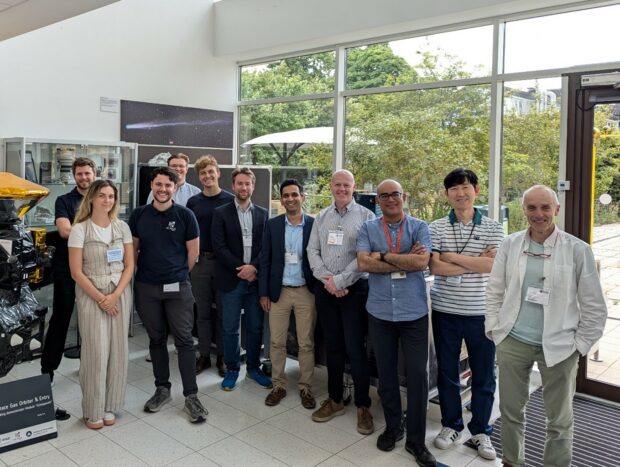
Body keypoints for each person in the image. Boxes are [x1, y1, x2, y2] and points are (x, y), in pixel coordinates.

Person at [486, 185, 607, 467]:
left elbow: (594, 306)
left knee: (559, 419)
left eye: (545, 207)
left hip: (560, 347)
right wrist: (495, 330)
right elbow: (494, 290)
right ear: (524, 210)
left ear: (557, 210)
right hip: (513, 341)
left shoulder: (578, 250)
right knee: (510, 410)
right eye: (531, 208)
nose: (538, 214)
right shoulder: (511, 244)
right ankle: (512, 461)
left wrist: (579, 346)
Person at [357, 179, 437, 466]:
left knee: (418, 376)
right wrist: (403, 258)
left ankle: (417, 441)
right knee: (387, 375)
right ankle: (394, 427)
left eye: (395, 194)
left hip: (413, 313)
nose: (390, 199)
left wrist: (384, 256)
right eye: (384, 195)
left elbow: (422, 263)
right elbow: (364, 264)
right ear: (377, 200)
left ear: (404, 196)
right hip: (379, 313)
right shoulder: (368, 228)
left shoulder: (419, 227)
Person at [428, 168, 503, 460]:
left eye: (465, 187)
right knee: (447, 373)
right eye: (454, 188)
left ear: (476, 190)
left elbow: (492, 266)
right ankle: (451, 425)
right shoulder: (436, 227)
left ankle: (481, 430)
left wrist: (452, 258)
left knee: (484, 374)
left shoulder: (493, 226)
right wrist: (474, 261)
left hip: (481, 311)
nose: (461, 193)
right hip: (445, 310)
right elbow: (435, 267)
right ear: (447, 194)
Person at [129, 167, 208, 423]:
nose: (162, 189)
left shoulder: (186, 215)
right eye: (158, 184)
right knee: (156, 339)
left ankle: (191, 396)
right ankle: (162, 389)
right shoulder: (139, 215)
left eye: (168, 185)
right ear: (152, 185)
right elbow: (134, 251)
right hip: (147, 287)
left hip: (178, 288)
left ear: (175, 188)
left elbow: (192, 255)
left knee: (185, 340)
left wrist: (176, 275)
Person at [307, 169, 375, 435]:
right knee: (333, 347)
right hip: (327, 291)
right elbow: (312, 251)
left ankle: (363, 405)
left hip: (355, 290)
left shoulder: (367, 217)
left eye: (346, 185)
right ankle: (335, 400)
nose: (342, 189)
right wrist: (329, 280)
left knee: (356, 349)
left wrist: (342, 281)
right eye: (337, 185)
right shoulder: (321, 217)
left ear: (354, 187)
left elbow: (365, 256)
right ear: (331, 187)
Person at [68, 180, 134, 429]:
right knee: (96, 354)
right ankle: (92, 410)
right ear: (92, 198)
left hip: (119, 295)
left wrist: (115, 295)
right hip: (91, 296)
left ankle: (110, 406)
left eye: (112, 196)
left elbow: (129, 265)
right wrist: (101, 299)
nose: (108, 201)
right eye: (103, 196)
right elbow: (76, 271)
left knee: (118, 352)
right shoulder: (80, 230)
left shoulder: (122, 227)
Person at [259, 179, 318, 409]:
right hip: (278, 292)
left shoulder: (314, 225)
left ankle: (305, 388)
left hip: (306, 291)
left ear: (302, 197)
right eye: (286, 195)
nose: (290, 199)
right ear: (281, 199)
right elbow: (265, 260)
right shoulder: (272, 225)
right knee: (276, 342)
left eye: (295, 194)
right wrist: (263, 292)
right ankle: (279, 385)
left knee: (306, 343)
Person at [212, 167, 271, 391]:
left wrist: (253, 267)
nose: (244, 187)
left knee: (255, 327)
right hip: (231, 279)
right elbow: (219, 246)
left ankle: (254, 368)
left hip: (255, 281)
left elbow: (266, 246)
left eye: (248, 183)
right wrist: (241, 268)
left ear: (253, 186)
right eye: (240, 183)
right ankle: (233, 369)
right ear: (233, 185)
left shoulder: (263, 214)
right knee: (230, 329)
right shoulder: (221, 213)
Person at [41, 157, 96, 383]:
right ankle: (48, 371)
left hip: (95, 267)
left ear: (95, 174)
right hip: (68, 268)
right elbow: (64, 231)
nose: (84, 177)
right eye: (80, 174)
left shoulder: (102, 197)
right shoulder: (64, 200)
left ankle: (91, 367)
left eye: (87, 173)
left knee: (93, 319)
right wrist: (96, 235)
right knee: (61, 318)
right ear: (74, 176)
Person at [187, 155, 234, 377]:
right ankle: (204, 355)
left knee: (224, 313)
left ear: (218, 173)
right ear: (199, 177)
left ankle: (223, 357)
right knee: (203, 312)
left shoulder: (231, 200)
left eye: (210, 172)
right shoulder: (193, 203)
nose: (207, 176)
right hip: (200, 263)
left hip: (224, 264)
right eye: (203, 173)